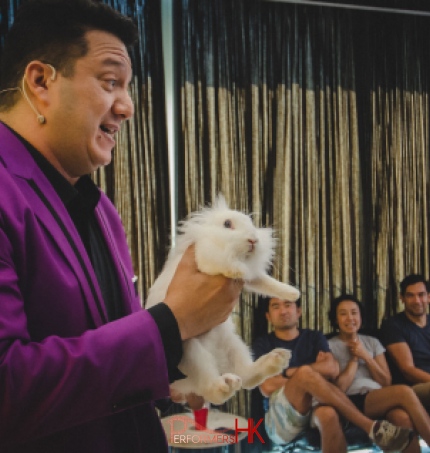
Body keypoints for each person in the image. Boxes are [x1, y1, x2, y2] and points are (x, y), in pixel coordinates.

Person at [0, 1, 242, 452]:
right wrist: (171, 324)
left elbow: (108, 351)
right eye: (111, 82)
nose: (128, 107)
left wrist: (172, 366)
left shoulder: (102, 212)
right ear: (40, 81)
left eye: (128, 88)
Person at [252, 297, 412, 453]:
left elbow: (331, 369)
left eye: (288, 305)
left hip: (315, 406)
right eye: (275, 306)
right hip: (281, 417)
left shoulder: (314, 337)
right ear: (268, 316)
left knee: (328, 414)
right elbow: (266, 387)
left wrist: (287, 373)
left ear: (299, 311)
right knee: (305, 374)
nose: (283, 311)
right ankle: (369, 426)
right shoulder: (262, 345)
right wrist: (303, 376)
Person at [328, 294, 430, 453]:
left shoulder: (372, 342)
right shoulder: (329, 345)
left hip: (378, 397)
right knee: (404, 391)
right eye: (343, 314)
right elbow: (338, 389)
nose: (350, 318)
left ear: (360, 316)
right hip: (350, 401)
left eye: (354, 313)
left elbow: (386, 382)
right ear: (335, 319)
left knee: (401, 418)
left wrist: (366, 356)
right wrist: (354, 359)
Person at [380, 274, 430, 409]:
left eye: (421, 295)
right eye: (410, 295)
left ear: (428, 297)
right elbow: (408, 370)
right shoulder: (393, 325)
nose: (417, 300)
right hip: (415, 387)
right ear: (402, 298)